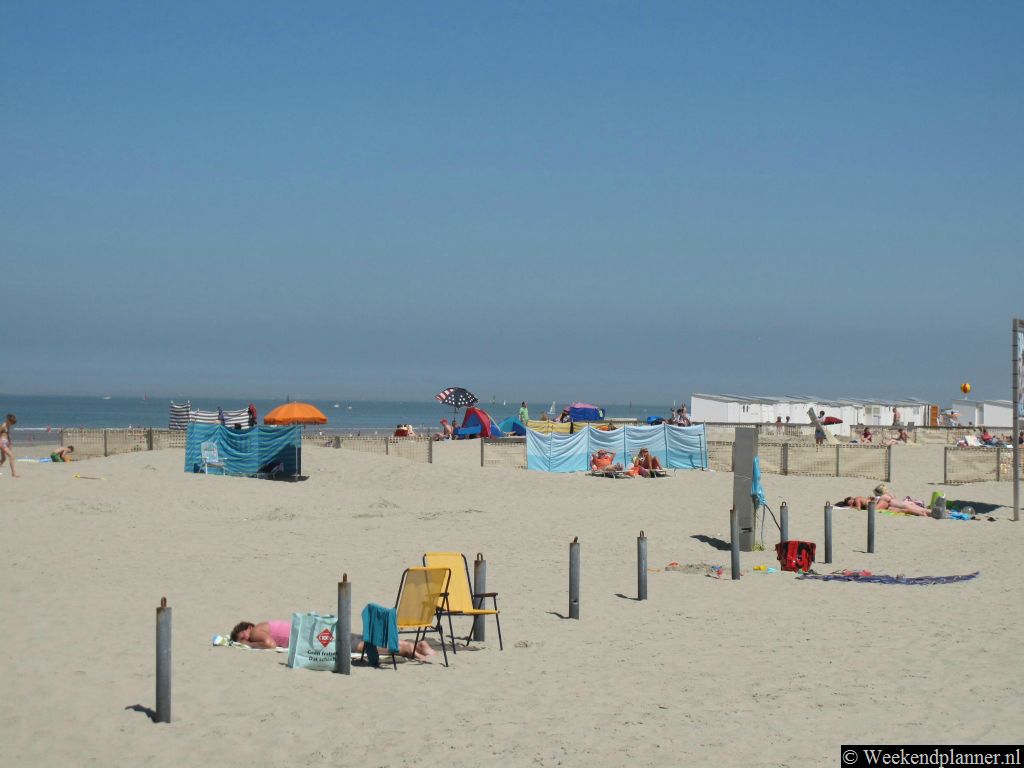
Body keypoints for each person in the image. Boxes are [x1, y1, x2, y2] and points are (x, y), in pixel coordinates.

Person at [230, 620, 436, 661]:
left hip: (317, 638)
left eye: (243, 636)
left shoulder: (257, 630)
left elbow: (270, 645)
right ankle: (419, 645)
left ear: (248, 628)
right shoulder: (267, 625)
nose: (245, 640)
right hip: (319, 631)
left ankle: (407, 649)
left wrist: (247, 644)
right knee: (358, 639)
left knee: (359, 646)